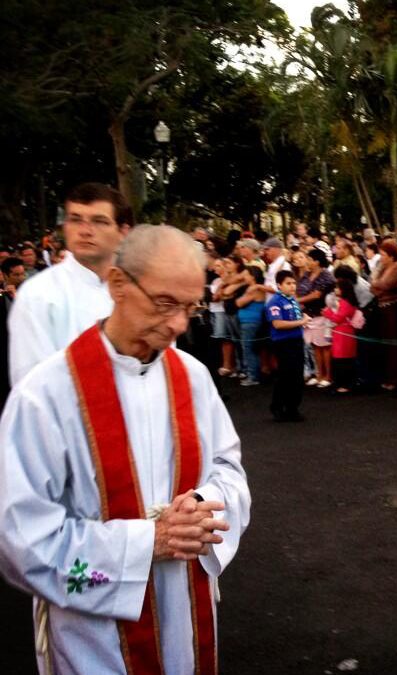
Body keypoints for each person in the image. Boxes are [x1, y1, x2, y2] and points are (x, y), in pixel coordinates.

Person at [0, 225, 250, 674]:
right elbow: (19, 533)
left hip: (186, 606)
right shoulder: (46, 394)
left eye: (189, 307)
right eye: (164, 303)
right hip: (95, 628)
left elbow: (228, 469)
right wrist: (145, 542)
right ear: (117, 284)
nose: (177, 324)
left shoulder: (193, 378)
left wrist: (200, 506)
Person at [8, 183, 133, 385]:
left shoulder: (140, 290)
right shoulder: (38, 294)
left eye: (99, 221)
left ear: (123, 231)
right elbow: (31, 387)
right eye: (76, 220)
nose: (85, 231)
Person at [265, 270, 310, 422]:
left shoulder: (292, 300)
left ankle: (293, 408)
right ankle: (278, 407)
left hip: (296, 340)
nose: (292, 287)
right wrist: (301, 322)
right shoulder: (275, 302)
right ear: (279, 285)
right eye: (288, 283)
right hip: (283, 343)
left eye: (294, 283)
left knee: (297, 376)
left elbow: (296, 318)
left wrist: (303, 319)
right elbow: (278, 324)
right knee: (285, 376)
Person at [296, 248, 336, 388]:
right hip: (308, 314)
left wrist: (299, 299)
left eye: (309, 259)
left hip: (321, 314)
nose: (307, 261)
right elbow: (300, 288)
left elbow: (317, 295)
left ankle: (328, 375)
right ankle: (319, 374)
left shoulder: (326, 275)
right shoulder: (306, 274)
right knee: (314, 345)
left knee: (324, 346)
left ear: (317, 261)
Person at [370, 241, 397, 390]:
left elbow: (386, 284)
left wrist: (377, 285)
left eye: (384, 255)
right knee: (385, 342)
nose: (381, 257)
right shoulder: (382, 266)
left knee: (393, 343)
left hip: (392, 308)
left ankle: (395, 378)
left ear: (391, 256)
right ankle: (388, 376)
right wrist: (377, 285)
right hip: (381, 306)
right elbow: (373, 284)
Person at [321, 274, 362, 394]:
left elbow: (338, 318)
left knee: (342, 359)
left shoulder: (344, 303)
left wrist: (327, 312)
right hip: (343, 332)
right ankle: (344, 383)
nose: (335, 290)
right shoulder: (347, 302)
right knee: (344, 359)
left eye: (337, 288)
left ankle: (345, 383)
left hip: (343, 333)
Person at [235, 265, 267, 386]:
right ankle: (252, 374)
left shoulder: (255, 290)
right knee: (249, 348)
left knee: (249, 349)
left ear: (253, 276)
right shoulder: (252, 288)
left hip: (251, 323)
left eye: (247, 274)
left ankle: (253, 376)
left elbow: (239, 302)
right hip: (249, 322)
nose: (244, 277)